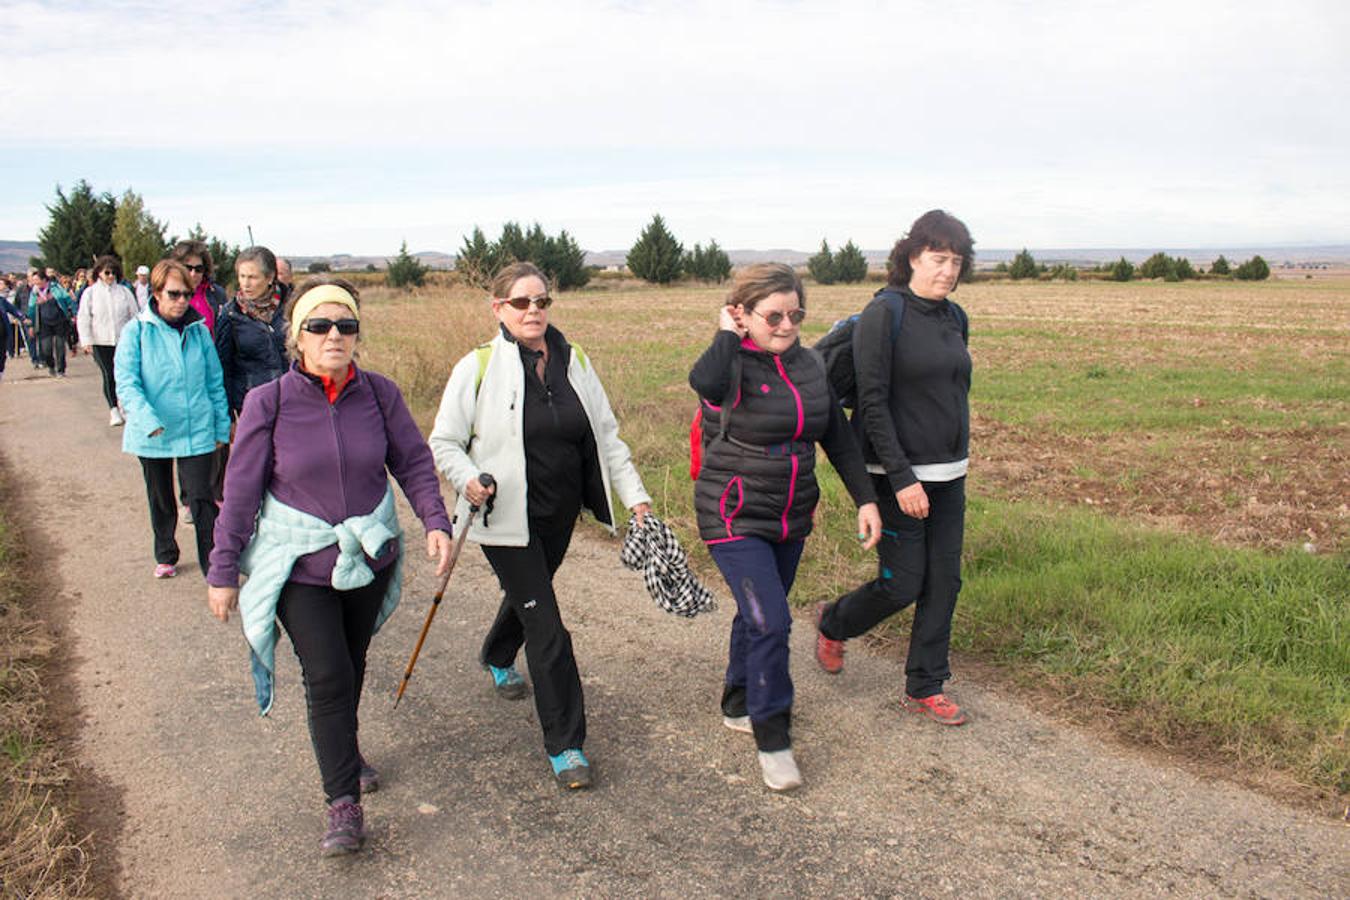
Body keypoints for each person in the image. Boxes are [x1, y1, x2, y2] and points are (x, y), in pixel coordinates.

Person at [206, 276, 453, 857]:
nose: (334, 335)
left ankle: (347, 748)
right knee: (327, 674)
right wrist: (222, 571)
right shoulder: (269, 402)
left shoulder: (381, 395)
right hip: (299, 566)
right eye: (320, 326)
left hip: (367, 559)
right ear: (298, 337)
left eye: (346, 325)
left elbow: (413, 463)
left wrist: (435, 520)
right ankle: (342, 801)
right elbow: (239, 494)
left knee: (352, 661)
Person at [429, 261, 651, 791]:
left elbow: (606, 436)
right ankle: (567, 745)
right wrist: (467, 480)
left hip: (559, 514)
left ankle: (496, 654)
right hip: (504, 519)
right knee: (548, 626)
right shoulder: (478, 366)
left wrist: (636, 499)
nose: (534, 311)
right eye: (522, 302)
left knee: (531, 597)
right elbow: (444, 442)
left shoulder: (575, 362)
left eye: (542, 301)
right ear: (498, 308)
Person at [689, 262, 881, 791]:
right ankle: (773, 736)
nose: (786, 325)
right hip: (733, 511)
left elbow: (835, 438)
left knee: (760, 610)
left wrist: (866, 499)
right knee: (772, 620)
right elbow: (701, 381)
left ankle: (736, 696)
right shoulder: (727, 364)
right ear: (742, 314)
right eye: (772, 315)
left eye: (796, 313)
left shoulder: (809, 364)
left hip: (791, 510)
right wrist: (726, 336)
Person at [813, 210, 975, 726]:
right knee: (904, 583)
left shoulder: (955, 317)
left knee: (944, 582)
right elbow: (875, 403)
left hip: (951, 473)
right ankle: (835, 623)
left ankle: (925, 684)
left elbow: (949, 391)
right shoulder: (885, 313)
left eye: (956, 260)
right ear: (912, 258)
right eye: (937, 258)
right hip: (893, 475)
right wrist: (902, 477)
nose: (947, 270)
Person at [114, 260, 231, 579]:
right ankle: (166, 552)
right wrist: (146, 418)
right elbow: (126, 382)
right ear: (156, 293)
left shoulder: (198, 333)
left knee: (202, 498)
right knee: (160, 495)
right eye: (174, 294)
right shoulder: (136, 331)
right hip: (152, 431)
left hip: (196, 428)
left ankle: (213, 563)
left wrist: (222, 426)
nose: (182, 301)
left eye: (186, 294)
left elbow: (214, 381)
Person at [215, 246, 289, 417]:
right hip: (252, 404)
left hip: (292, 399)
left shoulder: (291, 306)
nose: (246, 284)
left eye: (253, 277)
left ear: (270, 277)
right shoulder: (230, 314)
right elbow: (224, 367)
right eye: (242, 276)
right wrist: (228, 413)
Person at [77, 255, 139, 425]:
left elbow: (134, 315)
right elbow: (84, 317)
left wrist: (137, 337)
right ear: (99, 273)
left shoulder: (124, 292)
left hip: (122, 340)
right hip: (100, 341)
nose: (111, 276)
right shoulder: (90, 293)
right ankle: (113, 409)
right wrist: (86, 340)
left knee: (124, 375)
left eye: (114, 273)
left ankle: (125, 405)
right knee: (109, 373)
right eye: (107, 273)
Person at [168, 239, 227, 335]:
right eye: (188, 268)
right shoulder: (166, 293)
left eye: (198, 269)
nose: (193, 274)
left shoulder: (217, 294)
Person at [26, 269, 76, 375]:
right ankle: (51, 365)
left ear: (44, 279)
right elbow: (30, 309)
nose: (35, 283)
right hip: (44, 323)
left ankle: (61, 370)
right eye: (33, 280)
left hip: (59, 321)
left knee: (60, 347)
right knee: (46, 348)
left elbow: (68, 300)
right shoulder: (34, 292)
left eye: (37, 280)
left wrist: (73, 314)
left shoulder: (56, 288)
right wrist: (31, 324)